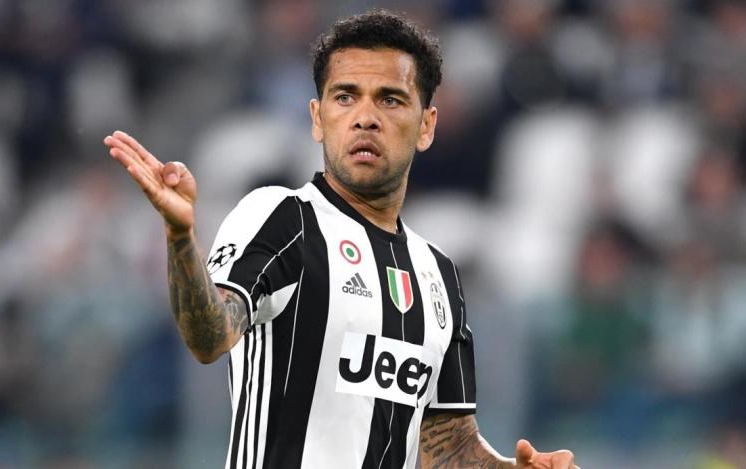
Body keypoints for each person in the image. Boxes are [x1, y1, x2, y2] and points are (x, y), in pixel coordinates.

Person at [104, 9, 577, 469]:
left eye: (390, 99)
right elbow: (210, 337)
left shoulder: (439, 275)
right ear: (317, 117)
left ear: (426, 125)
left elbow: (448, 446)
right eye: (345, 97)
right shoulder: (283, 219)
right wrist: (181, 238)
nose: (365, 117)